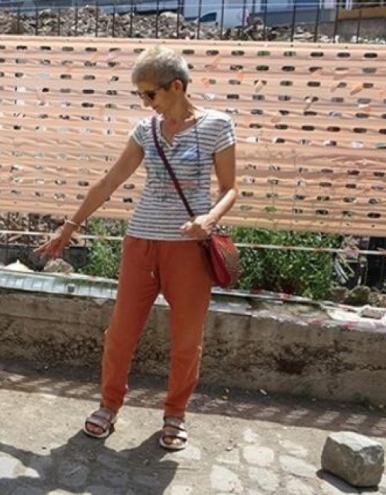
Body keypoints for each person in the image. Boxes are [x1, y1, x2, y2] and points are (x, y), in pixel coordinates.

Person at [35, 46, 237, 451]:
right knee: (121, 333)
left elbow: (231, 188)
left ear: (175, 86)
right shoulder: (147, 131)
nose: (147, 103)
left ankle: (175, 414)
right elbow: (110, 181)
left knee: (186, 338)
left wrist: (208, 220)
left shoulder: (217, 125)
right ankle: (109, 405)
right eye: (142, 96)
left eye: (151, 95)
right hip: (141, 244)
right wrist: (70, 226)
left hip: (188, 250)